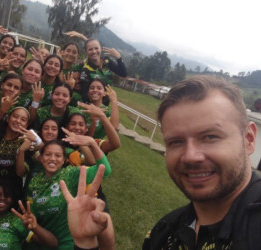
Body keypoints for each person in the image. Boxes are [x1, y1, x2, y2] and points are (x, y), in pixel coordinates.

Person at [62, 75, 260, 250]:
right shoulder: (165, 233)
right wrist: (86, 244)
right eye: (176, 142)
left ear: (248, 139)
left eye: (210, 137)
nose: (190, 156)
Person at [26, 136, 111, 249]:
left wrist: (93, 144)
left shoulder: (71, 173)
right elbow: (32, 212)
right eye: (47, 154)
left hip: (69, 243)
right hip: (43, 241)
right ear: (41, 158)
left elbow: (105, 170)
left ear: (63, 160)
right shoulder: (34, 182)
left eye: (58, 155)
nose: (52, 158)